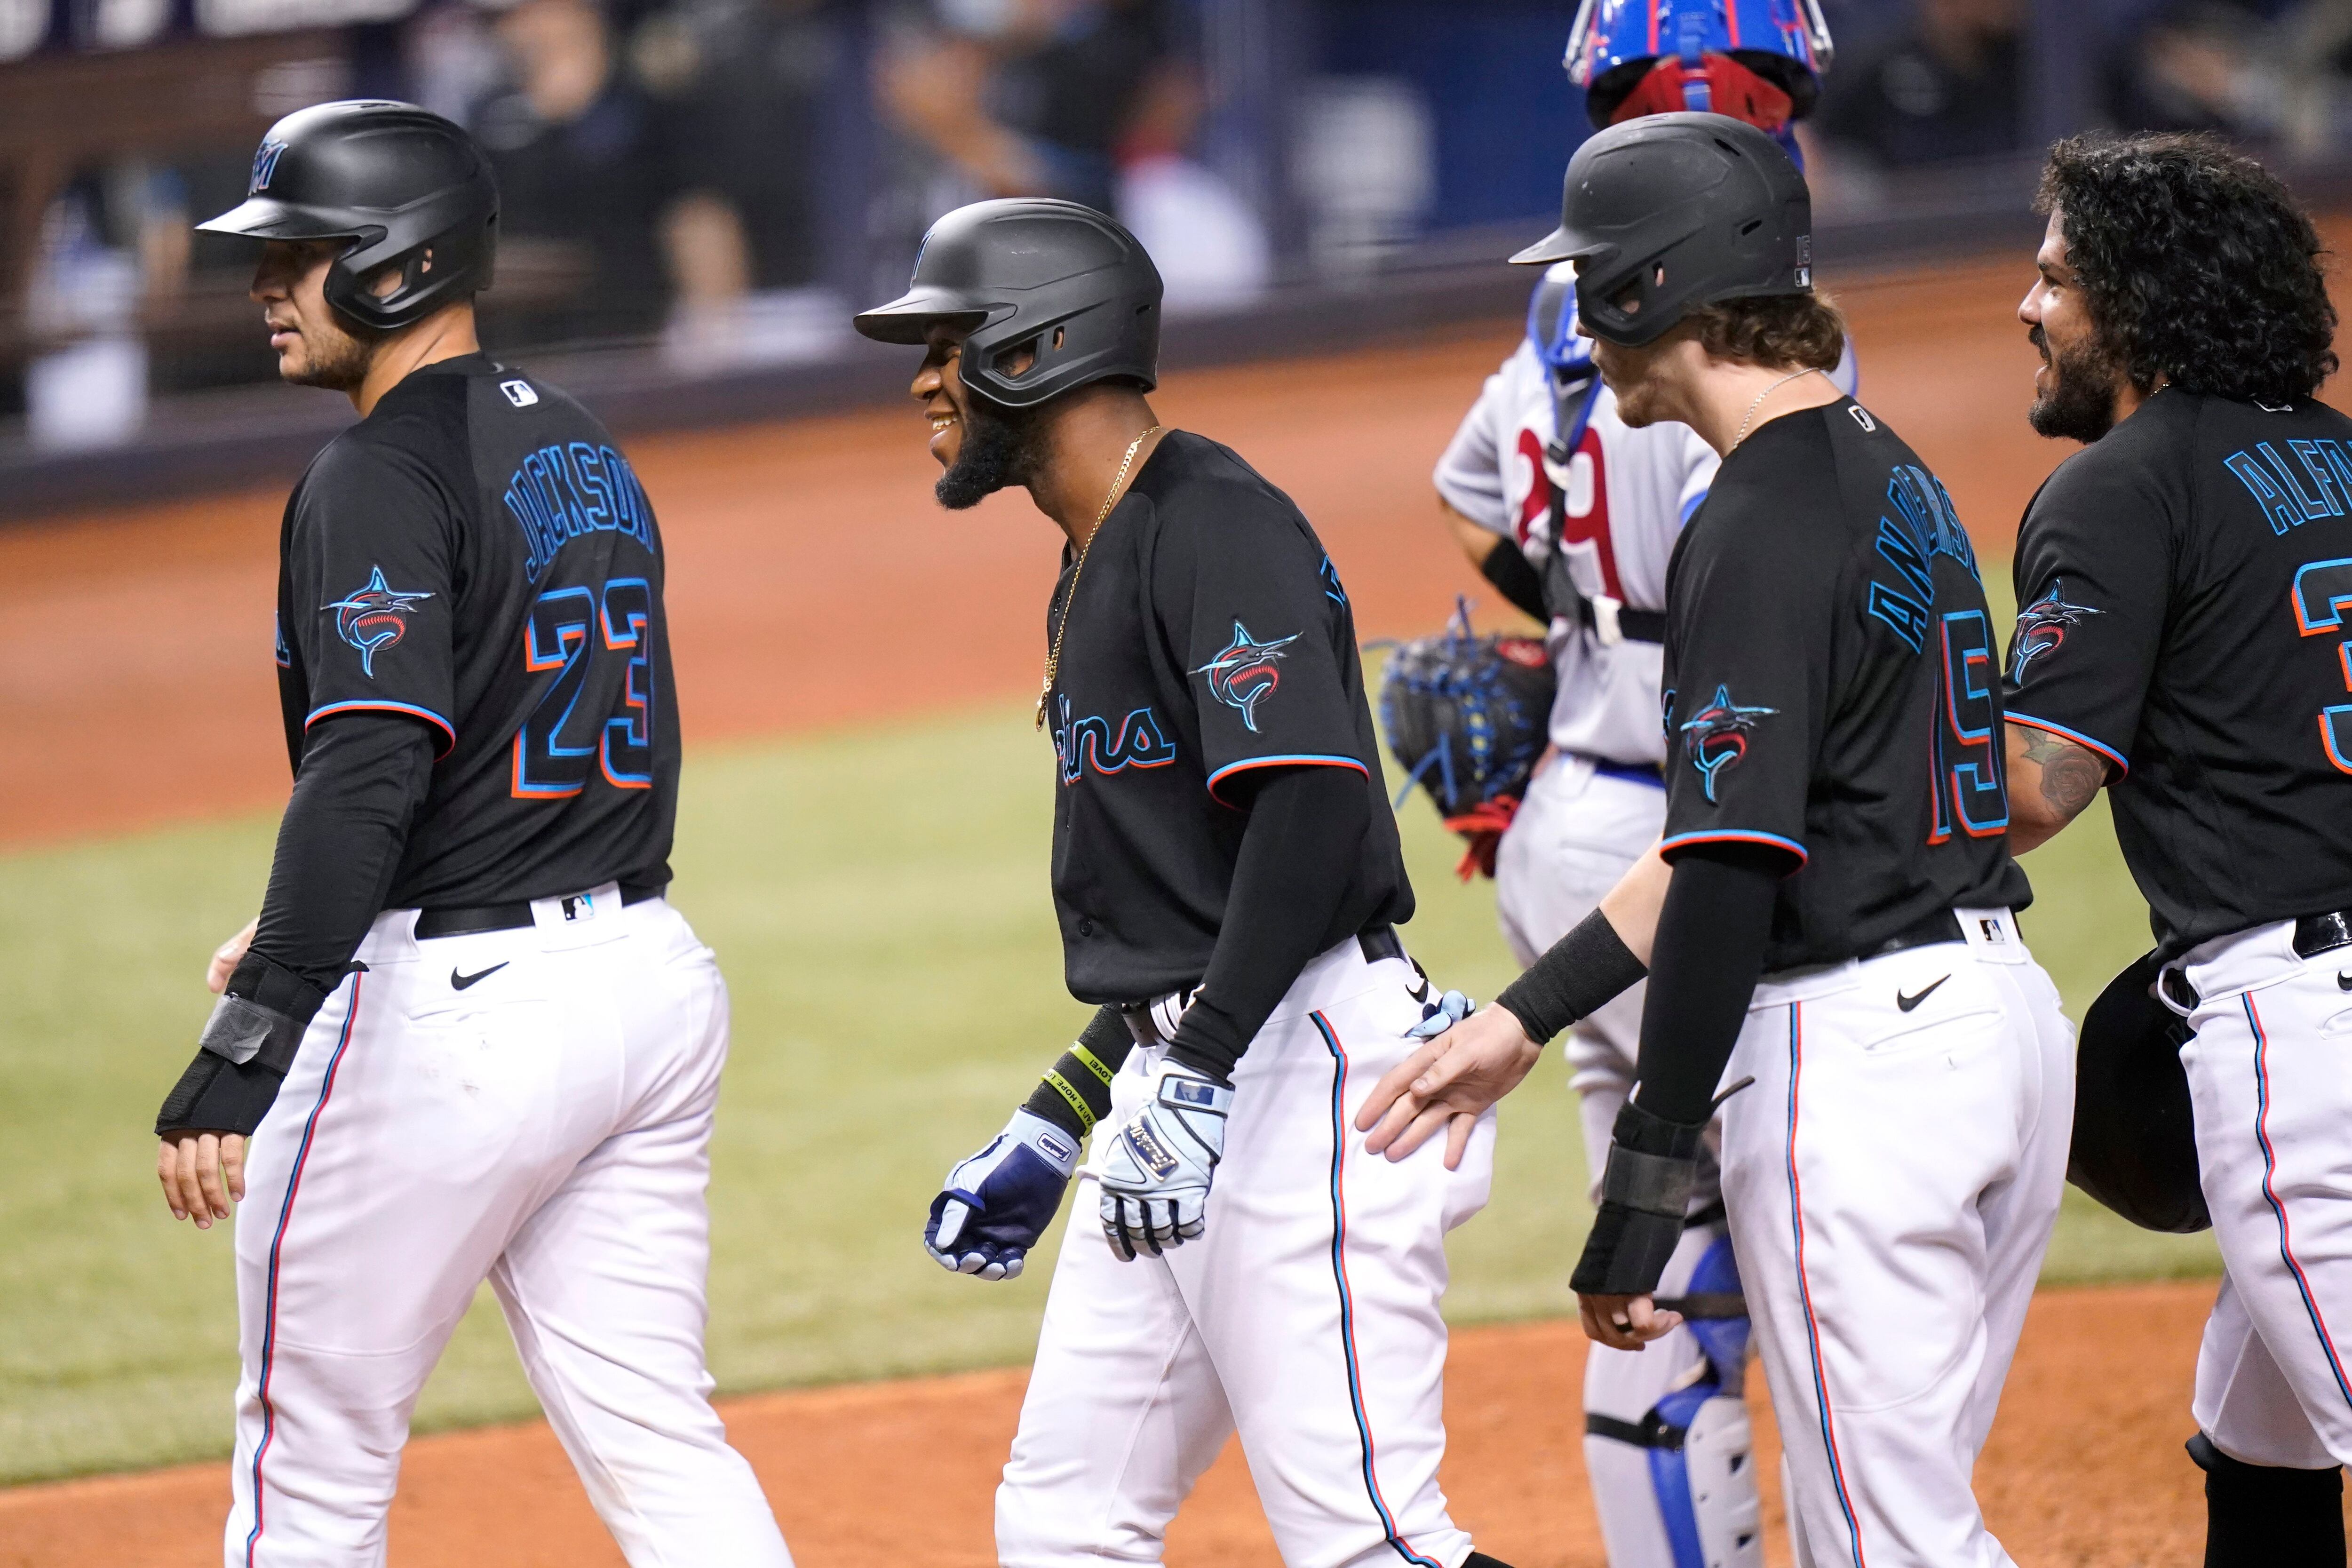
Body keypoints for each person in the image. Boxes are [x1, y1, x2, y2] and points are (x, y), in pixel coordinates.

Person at [1360, 112, 2074, 1567]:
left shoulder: (1749, 519)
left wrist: (1643, 1182)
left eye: (1593, 287)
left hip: (1862, 1062)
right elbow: (1729, 828)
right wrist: (1524, 1019)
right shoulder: (1887, 469)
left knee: (1892, 1546)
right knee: (1891, 1523)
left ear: (1648, 293)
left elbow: (1732, 872)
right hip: (1993, 1029)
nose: (1582, 329)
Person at [151, 100, 792, 1568]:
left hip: (459, 1024)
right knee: (660, 1438)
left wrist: (250, 1042)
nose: (263, 284)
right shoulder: (581, 446)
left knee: (308, 1467)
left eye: (296, 255)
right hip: (645, 984)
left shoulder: (375, 472)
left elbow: (370, 768)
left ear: (393, 264)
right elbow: (519, 732)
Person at [854, 197, 1512, 1568]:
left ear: (1033, 350)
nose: (921, 378)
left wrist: (1201, 1070)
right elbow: (1188, 912)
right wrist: (1064, 1110)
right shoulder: (1094, 550)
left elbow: (1316, 810)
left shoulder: (1213, 522)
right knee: (1065, 1522)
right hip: (1203, 1077)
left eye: (946, 343)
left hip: (1309, 1081)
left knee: (1370, 1547)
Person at [1431, 6, 1843, 1561]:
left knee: (1654, 1260)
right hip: (1690, 833)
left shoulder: (1555, 326)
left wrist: (1582, 628)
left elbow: (1466, 497)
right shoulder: (1761, 334)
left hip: (1564, 814)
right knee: (1756, 1252)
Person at [2002, 131, 2352, 1564]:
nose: (2027, 306)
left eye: (2056, 278)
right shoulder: (2338, 462)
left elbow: (2034, 788)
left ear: (2136, 303)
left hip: (2305, 1038)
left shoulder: (2119, 489)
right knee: (2260, 1428)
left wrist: (1849, 711)